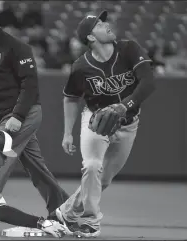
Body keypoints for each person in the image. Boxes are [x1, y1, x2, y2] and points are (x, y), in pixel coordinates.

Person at [0, 2, 70, 233]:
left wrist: (18, 115)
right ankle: (67, 212)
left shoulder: (15, 46)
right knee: (36, 167)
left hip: (23, 114)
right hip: (0, 118)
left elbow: (30, 84)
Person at [56, 11, 156, 238]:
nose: (107, 25)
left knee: (103, 179)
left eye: (104, 22)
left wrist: (125, 105)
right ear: (90, 37)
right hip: (95, 121)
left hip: (128, 123)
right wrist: (67, 133)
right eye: (99, 24)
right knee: (92, 166)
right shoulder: (81, 67)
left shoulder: (129, 49)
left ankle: (67, 212)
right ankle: (90, 221)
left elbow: (148, 82)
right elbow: (71, 98)